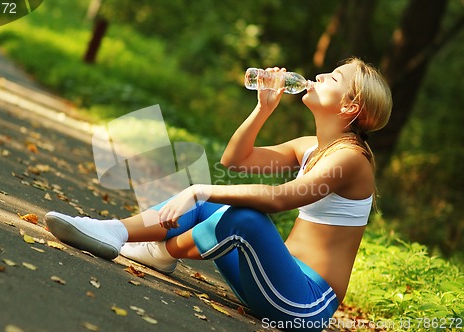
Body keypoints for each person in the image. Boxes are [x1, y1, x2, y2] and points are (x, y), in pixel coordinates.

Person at [44, 57, 392, 331]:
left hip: (305, 303)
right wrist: (263, 109)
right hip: (273, 279)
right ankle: (115, 232)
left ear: (350, 107)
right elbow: (236, 160)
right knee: (218, 203)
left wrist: (198, 189)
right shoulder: (311, 147)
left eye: (333, 78)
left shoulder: (352, 159)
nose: (318, 77)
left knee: (243, 217)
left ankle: (157, 249)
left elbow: (281, 198)